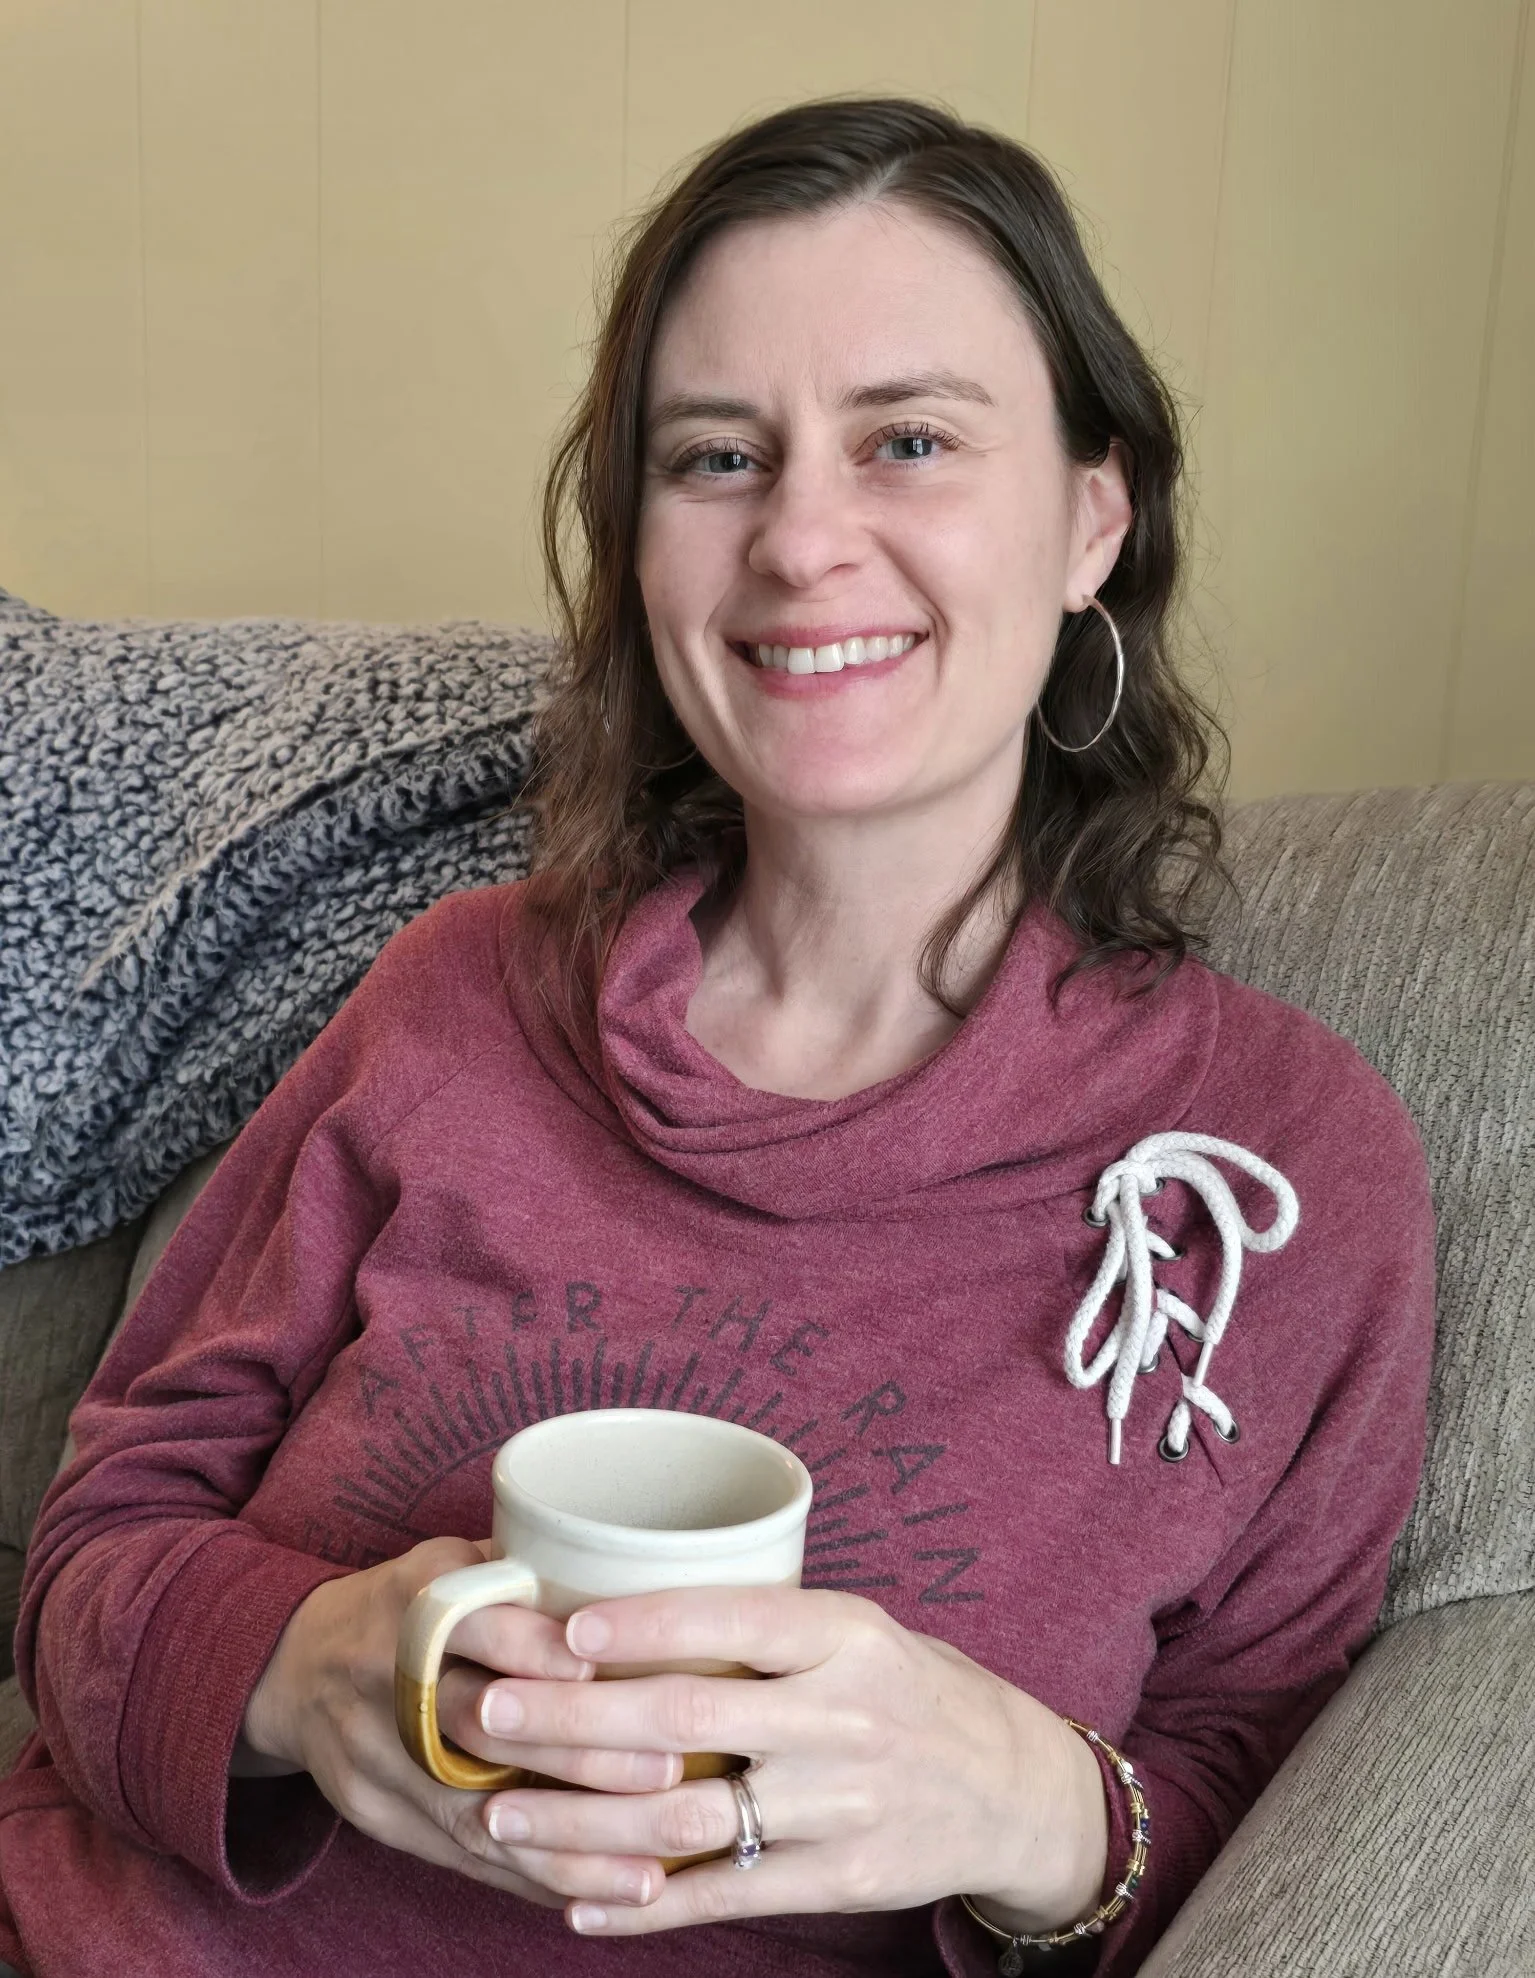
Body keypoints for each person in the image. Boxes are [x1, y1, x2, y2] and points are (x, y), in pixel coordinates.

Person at [0, 98, 1434, 1978]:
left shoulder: (1278, 1176)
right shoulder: (454, 1000)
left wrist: (1021, 1795)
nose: (801, 539)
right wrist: (297, 1667)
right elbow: (99, 1543)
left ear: (1096, 513)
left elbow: (1279, 1807)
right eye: (717, 457)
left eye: (907, 439)